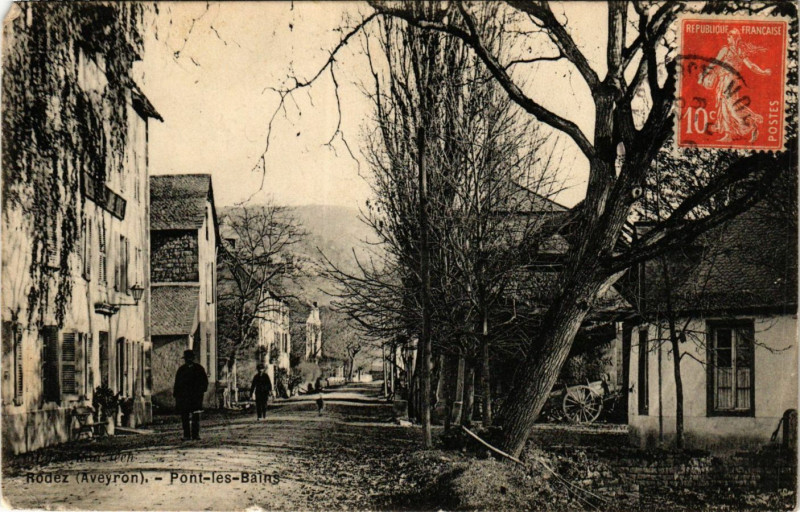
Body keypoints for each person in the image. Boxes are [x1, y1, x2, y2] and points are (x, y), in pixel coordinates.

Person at [173, 349, 208, 441]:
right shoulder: (181, 370)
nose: (188, 360)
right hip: (184, 398)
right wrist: (177, 396)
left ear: (193, 358)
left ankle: (195, 435)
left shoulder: (199, 369)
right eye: (186, 358)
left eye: (190, 358)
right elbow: (177, 384)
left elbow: (204, 382)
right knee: (185, 416)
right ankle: (187, 435)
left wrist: (201, 391)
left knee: (195, 416)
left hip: (196, 397)